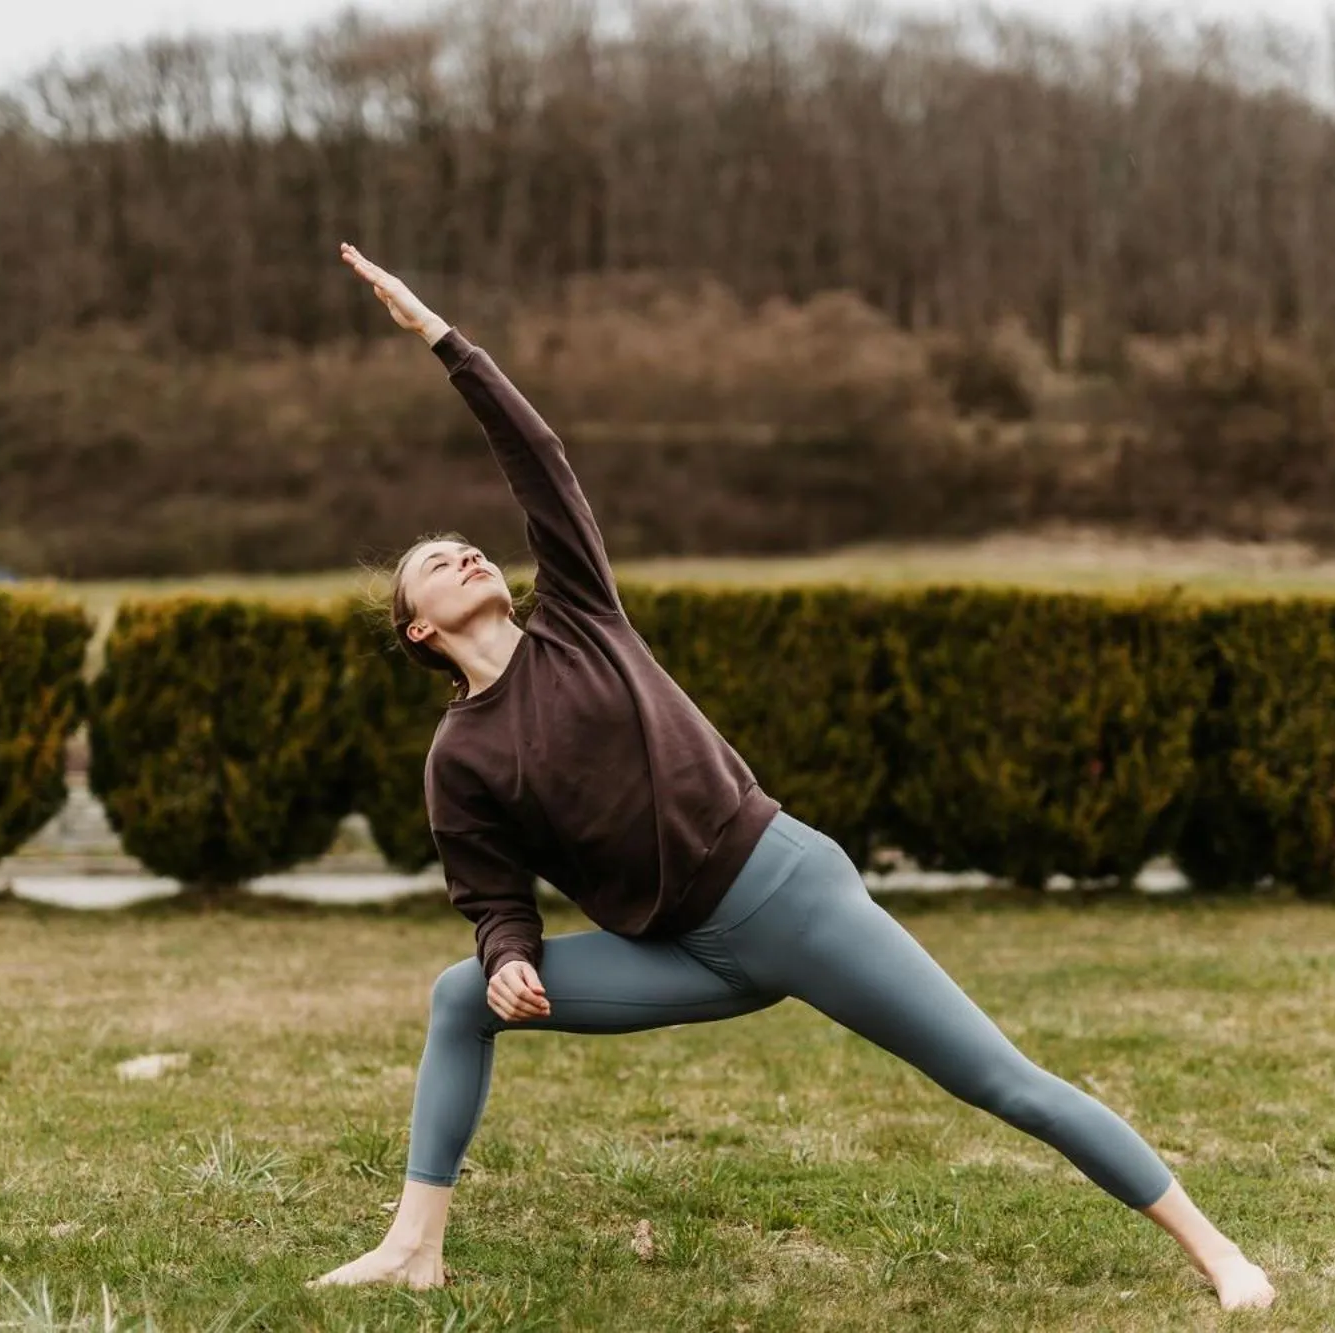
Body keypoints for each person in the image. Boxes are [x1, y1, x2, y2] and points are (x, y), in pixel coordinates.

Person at [313, 242, 1275, 1311]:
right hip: (679, 953)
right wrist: (504, 960)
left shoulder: (580, 619)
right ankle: (412, 1246)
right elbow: (491, 895)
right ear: (419, 627)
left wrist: (442, 340)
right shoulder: (462, 759)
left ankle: (1220, 1255)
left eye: (470, 548)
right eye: (436, 563)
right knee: (458, 999)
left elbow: (537, 457)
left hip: (784, 895)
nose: (466, 556)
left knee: (1002, 1083)